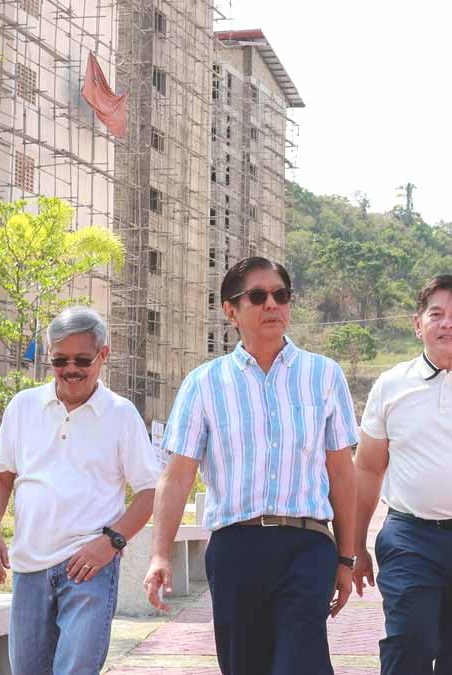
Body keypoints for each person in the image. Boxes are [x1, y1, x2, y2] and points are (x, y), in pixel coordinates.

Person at [143, 257, 359, 675]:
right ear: (231, 311)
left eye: (281, 295)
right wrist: (159, 554)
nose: (271, 305)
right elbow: (178, 476)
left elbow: (341, 473)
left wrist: (346, 558)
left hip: (307, 545)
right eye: (257, 297)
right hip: (236, 549)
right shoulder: (204, 383)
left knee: (302, 665)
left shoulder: (324, 375)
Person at [0, 306, 160, 675]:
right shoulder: (23, 406)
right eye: (60, 360)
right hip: (28, 567)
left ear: (103, 355)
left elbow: (149, 492)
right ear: (49, 357)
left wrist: (111, 542)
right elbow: (1, 476)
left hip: (89, 567)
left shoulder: (121, 414)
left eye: (82, 359)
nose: (71, 369)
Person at [352, 274, 452, 674]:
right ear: (417, 323)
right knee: (409, 642)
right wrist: (355, 544)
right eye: (436, 314)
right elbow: (368, 467)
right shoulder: (391, 385)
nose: (447, 323)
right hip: (411, 537)